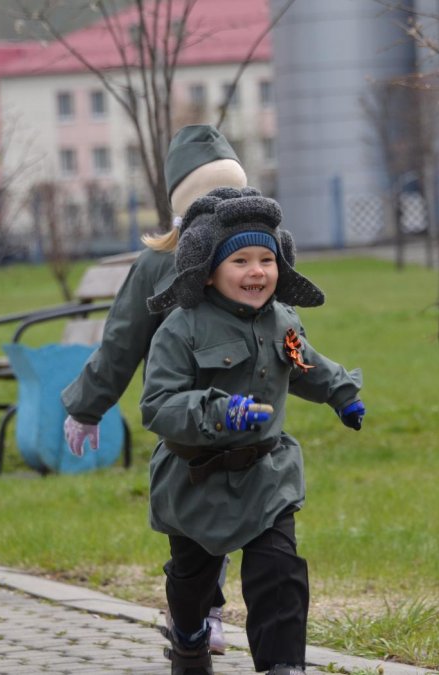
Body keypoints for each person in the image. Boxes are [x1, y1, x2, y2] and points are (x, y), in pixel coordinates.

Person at [138, 186, 366, 675]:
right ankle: (189, 636)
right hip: (196, 479)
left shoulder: (283, 319)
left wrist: (342, 393)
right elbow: (157, 405)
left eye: (267, 258)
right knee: (192, 580)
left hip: (266, 474)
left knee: (278, 570)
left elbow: (304, 363)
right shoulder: (182, 328)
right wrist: (221, 412)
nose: (256, 271)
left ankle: (284, 665)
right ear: (210, 269)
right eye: (240, 260)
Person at [61, 124, 248, 654]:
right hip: (183, 421)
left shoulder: (251, 253)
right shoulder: (157, 265)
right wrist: (88, 406)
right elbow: (122, 341)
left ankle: (206, 615)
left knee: (230, 516)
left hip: (242, 417)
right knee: (192, 526)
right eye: (213, 196)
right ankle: (196, 614)